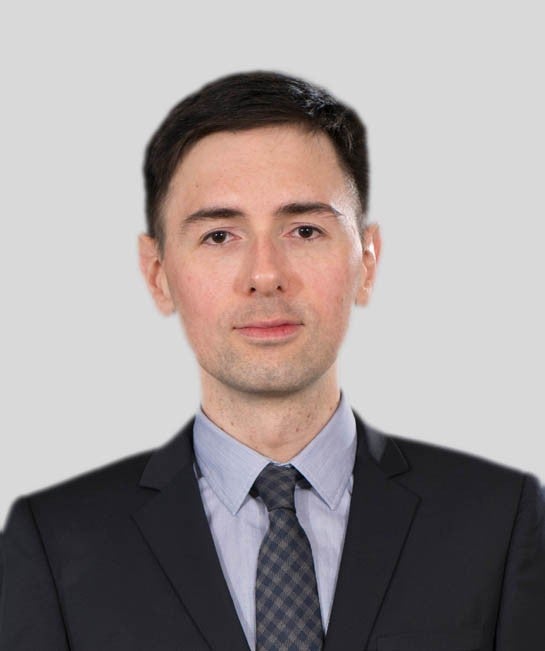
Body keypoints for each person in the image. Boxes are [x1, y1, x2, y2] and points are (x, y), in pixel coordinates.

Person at [0, 71, 544, 651]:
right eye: (219, 236)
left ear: (367, 261)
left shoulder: (499, 521)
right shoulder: (55, 543)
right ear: (158, 274)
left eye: (304, 230)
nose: (264, 275)